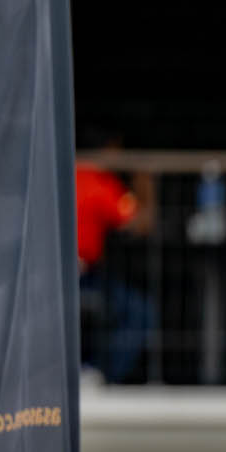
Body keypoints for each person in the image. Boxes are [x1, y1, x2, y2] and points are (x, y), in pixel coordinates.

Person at [76, 132, 155, 382]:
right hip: (80, 278)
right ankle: (100, 375)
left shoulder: (58, 174)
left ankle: (89, 369)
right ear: (107, 150)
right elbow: (140, 223)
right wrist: (145, 184)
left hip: (46, 276)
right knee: (140, 312)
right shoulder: (98, 181)